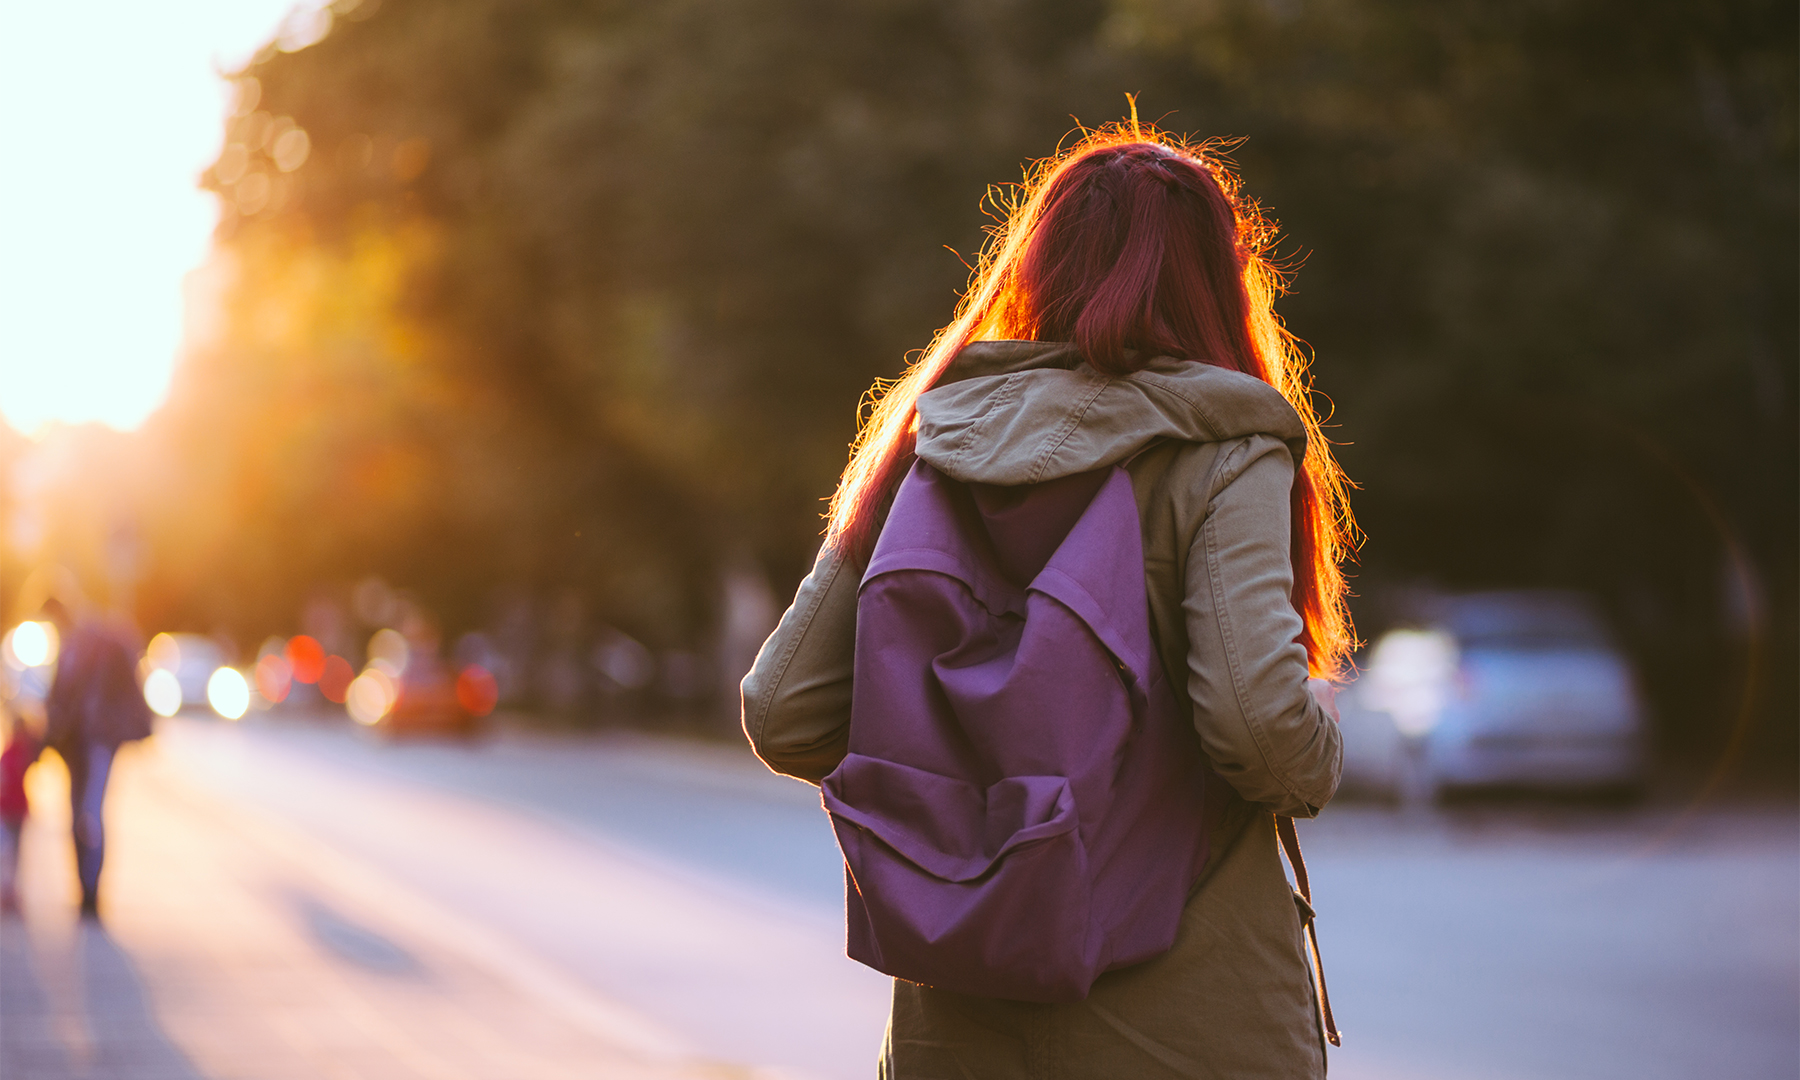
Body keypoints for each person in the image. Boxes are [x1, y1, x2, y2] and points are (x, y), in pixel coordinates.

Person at [742, 122, 1355, 1078]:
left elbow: (782, 711)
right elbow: (1255, 721)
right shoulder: (1227, 448)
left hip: (961, 1016)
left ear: (1038, 266)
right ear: (1219, 282)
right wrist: (1318, 756)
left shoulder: (932, 442)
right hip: (1185, 1011)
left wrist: (964, 783)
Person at [42, 598, 154, 919]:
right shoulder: (80, 644)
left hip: (93, 740)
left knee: (86, 812)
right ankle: (87, 889)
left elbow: (62, 697)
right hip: (84, 742)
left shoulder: (82, 645)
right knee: (85, 811)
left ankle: (90, 890)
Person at [0, 713, 41, 914]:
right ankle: (8, 889)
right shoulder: (17, 754)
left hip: (13, 809)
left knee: (12, 852)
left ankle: (10, 889)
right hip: (10, 810)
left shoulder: (16, 753)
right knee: (11, 852)